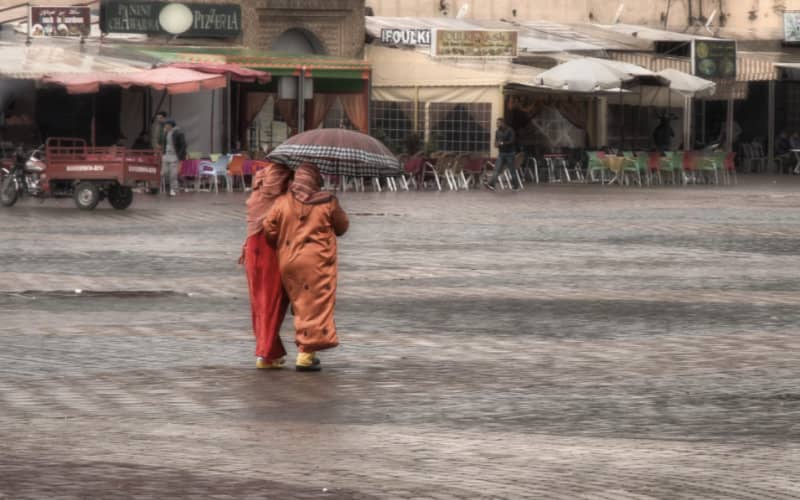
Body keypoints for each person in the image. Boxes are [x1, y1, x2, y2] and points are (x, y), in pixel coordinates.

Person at [264, 164, 349, 372]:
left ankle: (304, 347)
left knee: (300, 303)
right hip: (317, 262)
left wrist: (282, 242)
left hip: (288, 260)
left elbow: (268, 228)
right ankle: (306, 354)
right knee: (314, 305)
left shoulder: (282, 201)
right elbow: (342, 227)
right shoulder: (326, 201)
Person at [241, 162, 293, 369]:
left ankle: (270, 351)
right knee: (274, 301)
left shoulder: (257, 192)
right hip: (273, 247)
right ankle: (266, 354)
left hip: (252, 247)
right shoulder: (284, 197)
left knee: (259, 303)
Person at [486, 118, 520, 191]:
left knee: (512, 170)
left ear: (503, 123)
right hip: (501, 154)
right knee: (496, 169)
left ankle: (516, 186)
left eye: (498, 123)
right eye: (496, 123)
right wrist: (496, 144)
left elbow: (512, 141)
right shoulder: (497, 132)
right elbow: (495, 143)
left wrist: (502, 143)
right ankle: (491, 184)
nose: (497, 124)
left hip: (510, 153)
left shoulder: (510, 130)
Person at [161, 119, 186, 197]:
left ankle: (173, 189)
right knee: (164, 172)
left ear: (170, 125)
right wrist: (163, 153)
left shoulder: (179, 133)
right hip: (166, 155)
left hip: (175, 155)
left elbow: (183, 145)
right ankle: (172, 186)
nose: (165, 126)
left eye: (166, 125)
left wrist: (180, 155)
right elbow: (164, 143)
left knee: (173, 174)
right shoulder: (166, 133)